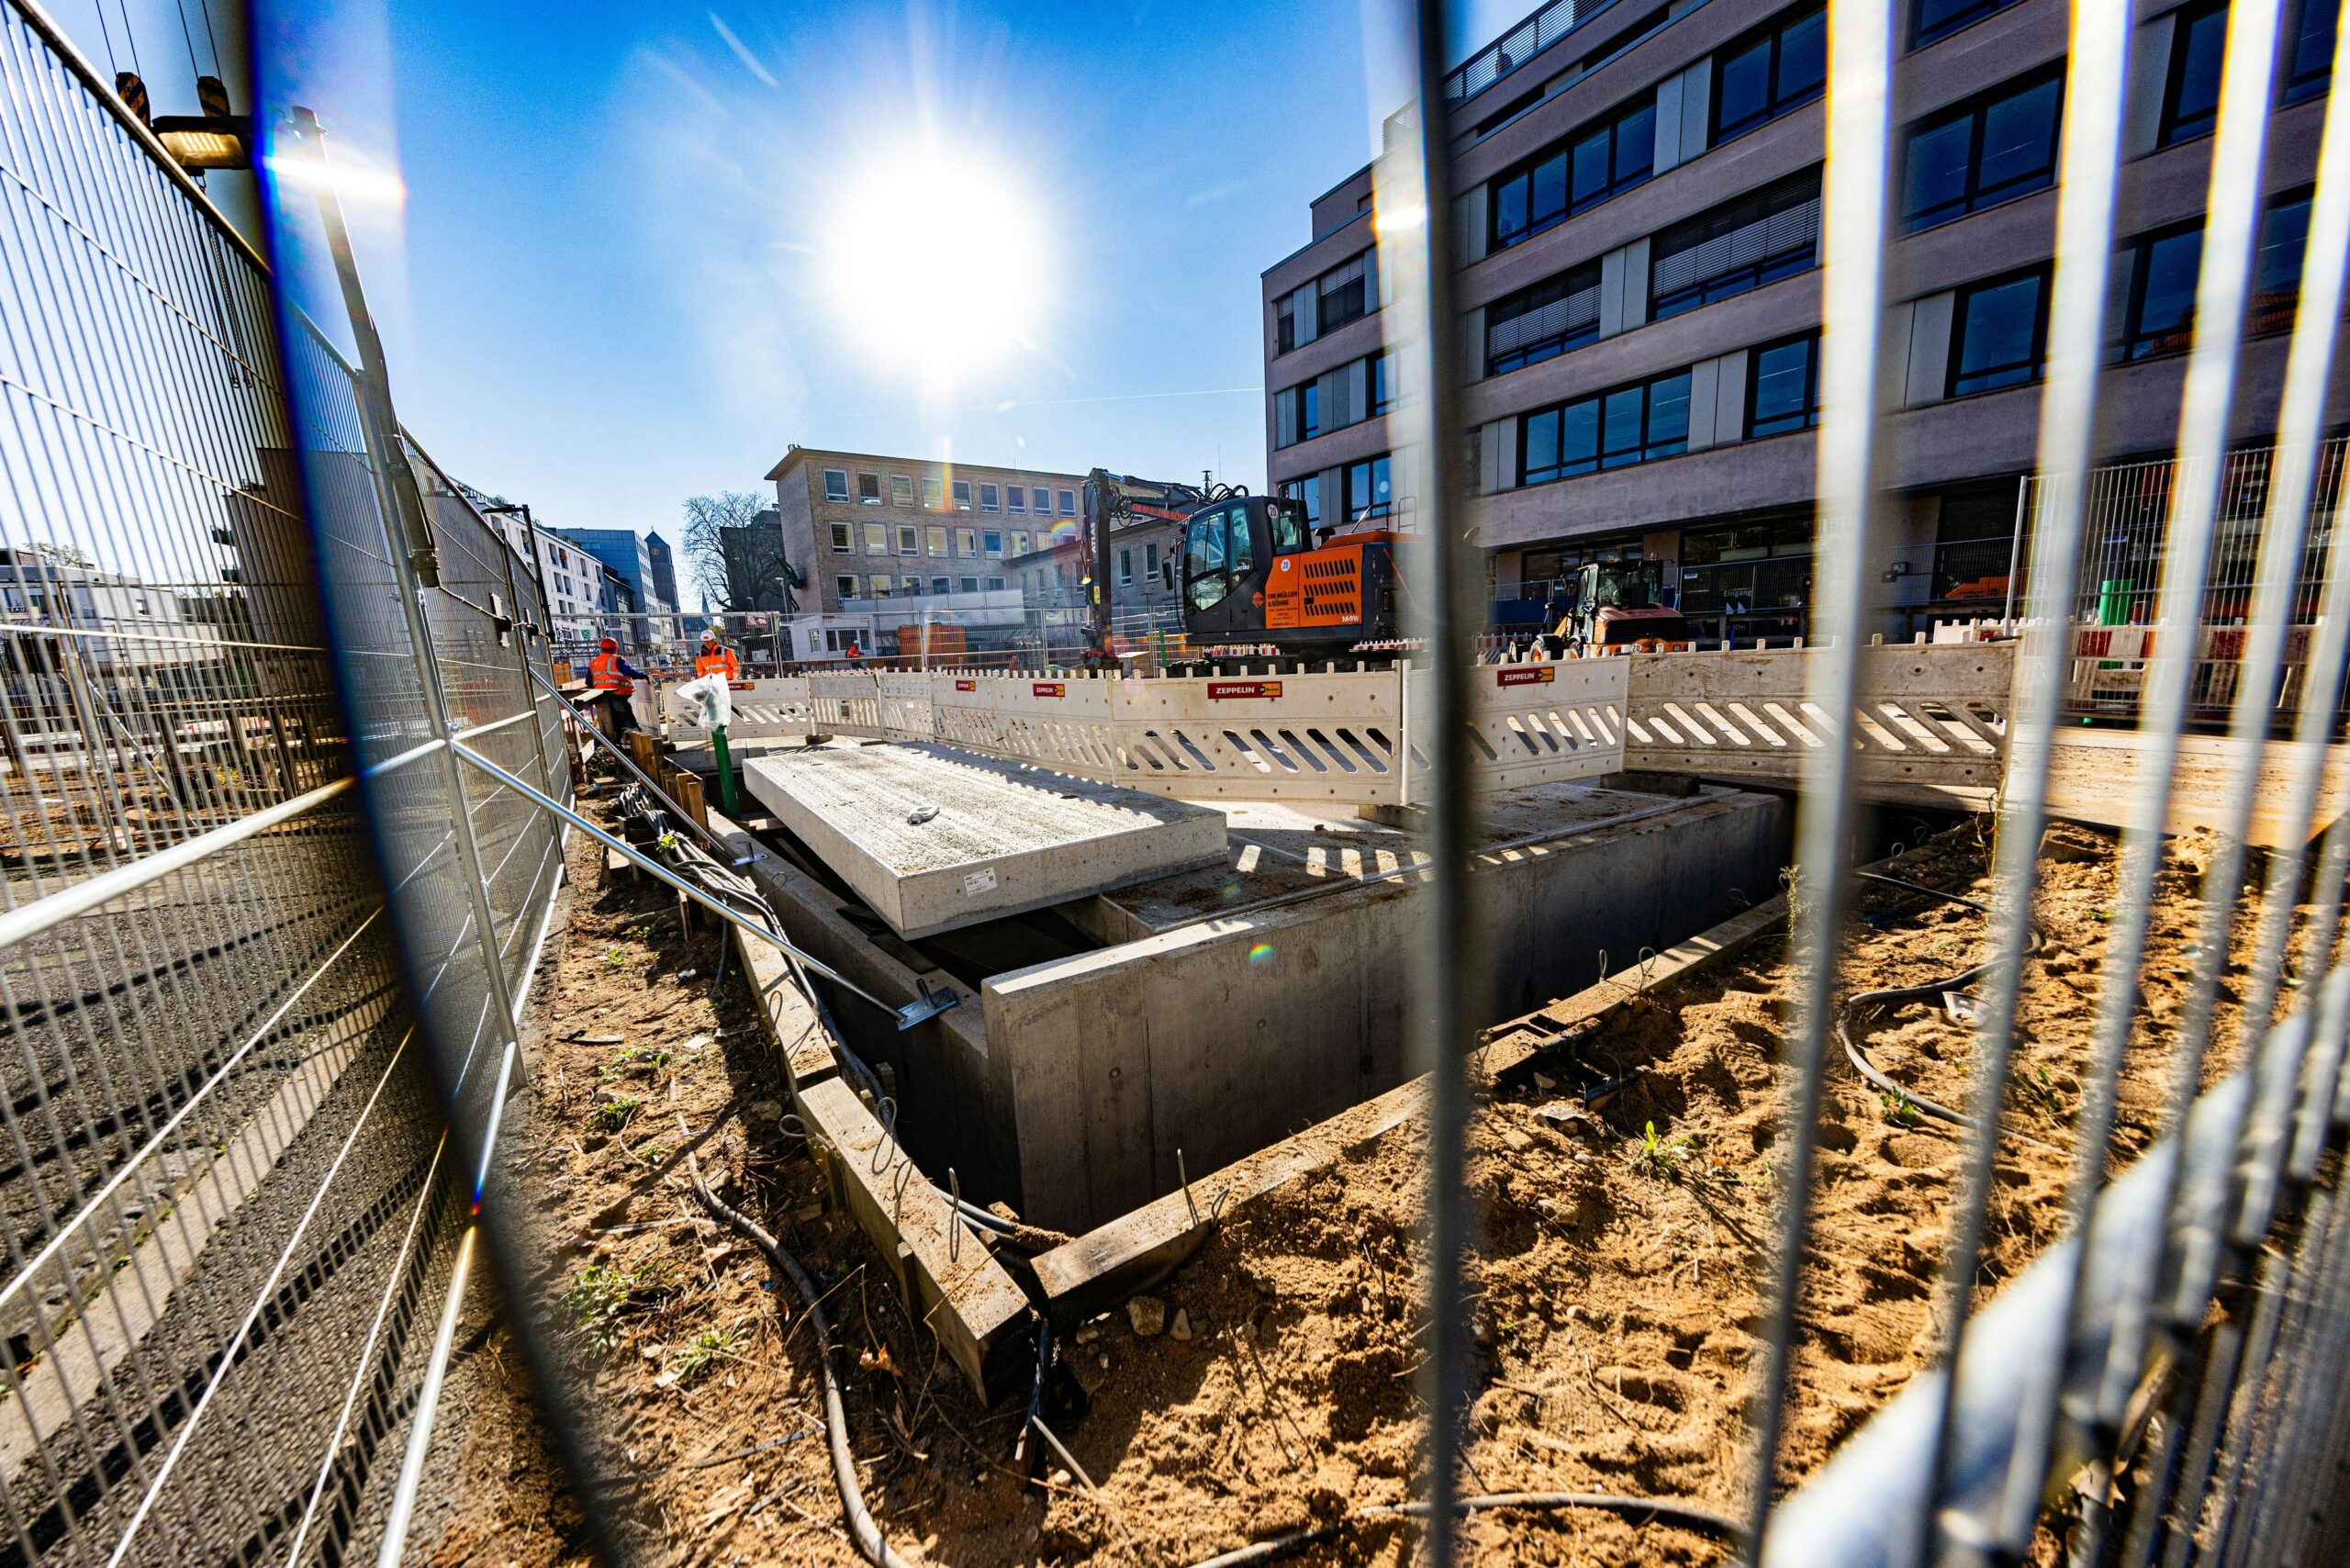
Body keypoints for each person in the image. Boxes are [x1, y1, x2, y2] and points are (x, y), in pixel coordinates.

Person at [587, 635, 646, 734]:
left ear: (601, 648)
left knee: (611, 720)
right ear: (615, 648)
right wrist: (643, 675)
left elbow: (589, 681)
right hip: (618, 693)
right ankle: (632, 730)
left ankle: (616, 737)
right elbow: (629, 671)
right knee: (624, 715)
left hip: (601, 696)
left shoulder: (593, 662)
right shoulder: (617, 659)